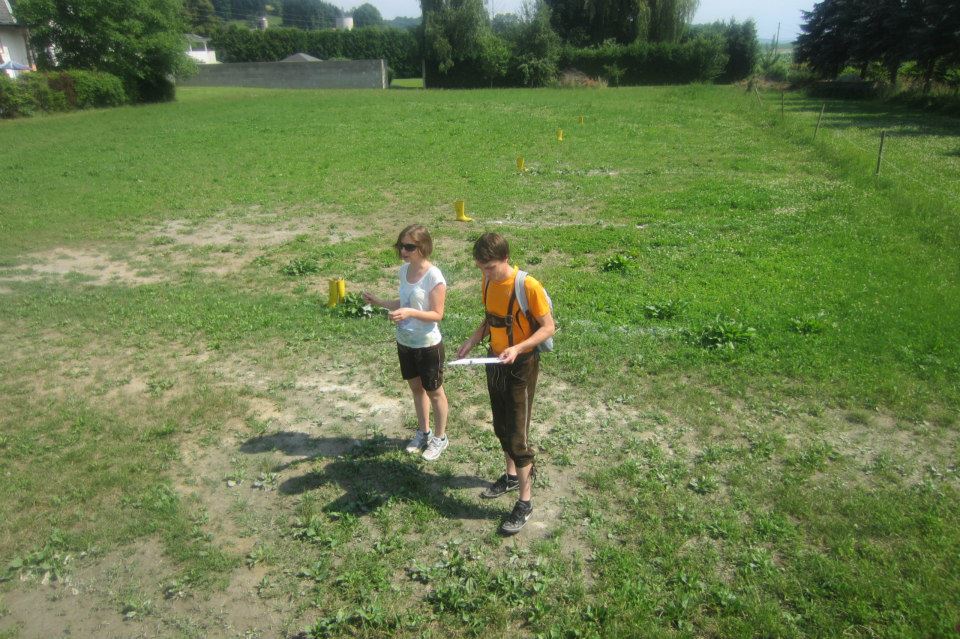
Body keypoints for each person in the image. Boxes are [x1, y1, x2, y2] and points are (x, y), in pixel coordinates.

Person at [456, 233, 555, 535]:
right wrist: (474, 340)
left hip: (521, 365)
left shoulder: (528, 286)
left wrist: (518, 348)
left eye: (490, 267)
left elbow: (548, 327)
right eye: (481, 268)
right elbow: (491, 319)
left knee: (517, 435)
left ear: (505, 259)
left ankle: (525, 502)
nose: (485, 273)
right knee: (500, 425)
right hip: (494, 360)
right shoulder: (488, 281)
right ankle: (511, 476)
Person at [363, 225, 450, 461]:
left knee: (434, 392)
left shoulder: (434, 277)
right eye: (400, 246)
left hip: (428, 345)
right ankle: (423, 432)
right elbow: (403, 302)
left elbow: (437, 314)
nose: (403, 251)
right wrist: (379, 301)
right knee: (416, 389)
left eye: (409, 247)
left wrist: (409, 312)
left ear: (423, 247)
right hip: (405, 342)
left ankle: (440, 438)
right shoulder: (404, 271)